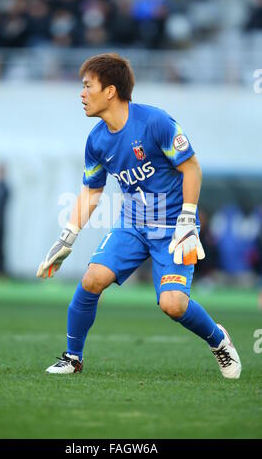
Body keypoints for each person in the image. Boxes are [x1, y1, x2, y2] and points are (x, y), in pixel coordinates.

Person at [37, 53, 241, 379]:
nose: (82, 93)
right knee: (92, 279)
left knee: (173, 304)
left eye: (88, 86)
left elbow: (192, 168)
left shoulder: (155, 122)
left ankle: (218, 340)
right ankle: (72, 357)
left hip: (175, 227)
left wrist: (188, 219)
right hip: (132, 225)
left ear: (110, 91)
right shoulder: (96, 140)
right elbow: (92, 191)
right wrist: (67, 236)